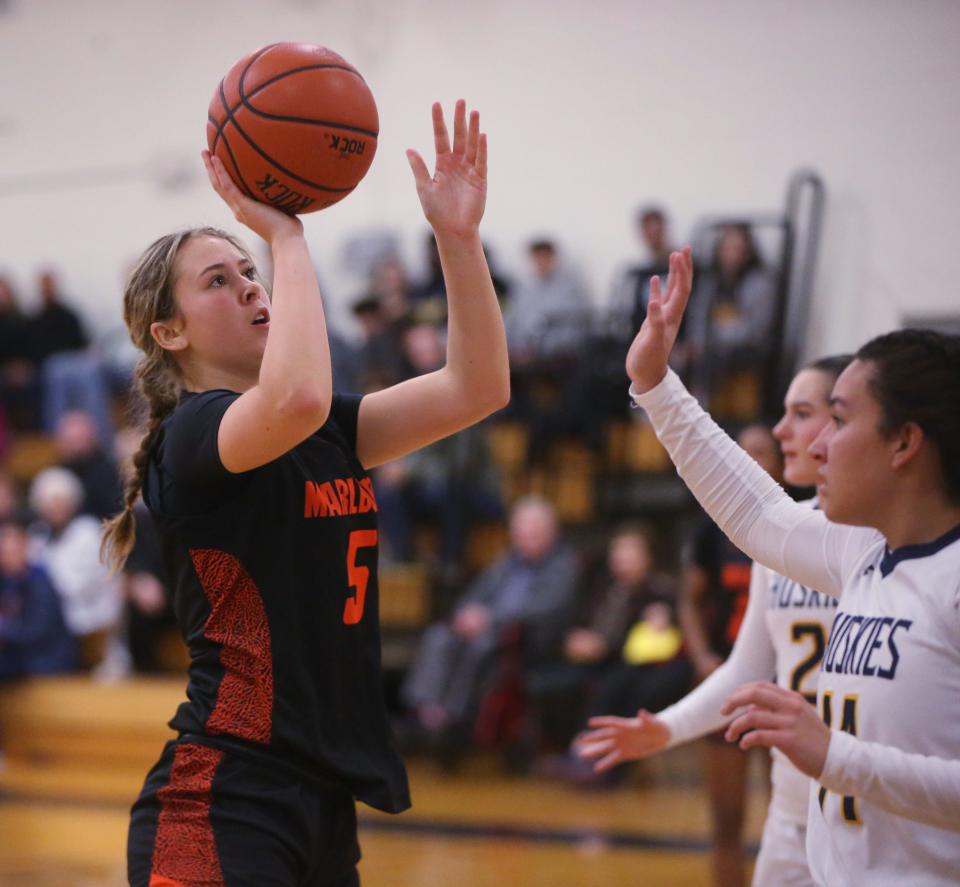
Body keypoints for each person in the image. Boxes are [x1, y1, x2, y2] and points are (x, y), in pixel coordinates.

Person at [103, 100, 509, 887]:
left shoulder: (324, 428)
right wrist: (286, 236)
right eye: (219, 282)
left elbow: (478, 386)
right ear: (169, 333)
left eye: (250, 271)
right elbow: (295, 396)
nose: (252, 289)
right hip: (222, 799)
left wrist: (457, 240)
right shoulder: (193, 436)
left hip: (321, 801)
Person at [583, 248, 960, 885]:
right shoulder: (862, 552)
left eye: (837, 421)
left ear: (905, 442)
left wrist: (835, 754)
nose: (812, 445)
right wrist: (654, 383)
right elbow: (756, 514)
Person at [578, 355, 852, 887]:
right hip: (791, 817)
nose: (780, 431)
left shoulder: (882, 543)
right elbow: (744, 669)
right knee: (726, 827)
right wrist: (668, 728)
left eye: (801, 413)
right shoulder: (780, 542)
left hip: (855, 811)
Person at [401, 496, 577, 763]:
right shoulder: (508, 561)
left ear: (550, 533)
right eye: (521, 533)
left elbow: (546, 608)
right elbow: (476, 593)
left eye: (533, 533)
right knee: (439, 636)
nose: (525, 539)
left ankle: (454, 716)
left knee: (481, 645)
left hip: (526, 640)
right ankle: (427, 710)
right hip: (486, 626)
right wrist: (467, 614)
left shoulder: (564, 565)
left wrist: (489, 619)